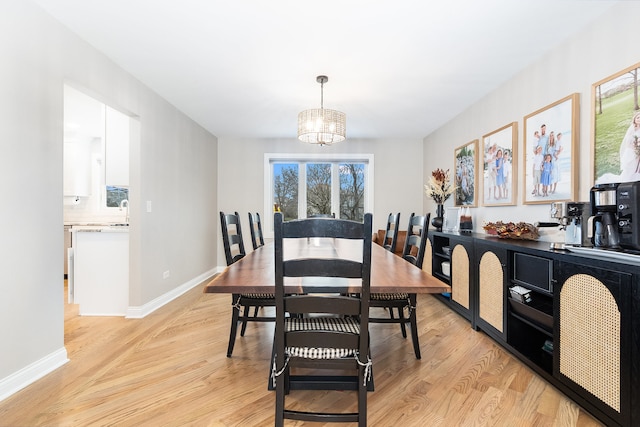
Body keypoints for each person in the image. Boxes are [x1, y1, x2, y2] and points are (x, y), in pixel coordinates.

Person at [619, 111, 640, 182]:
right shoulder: (632, 129)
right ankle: (626, 180)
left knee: (636, 168)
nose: (639, 119)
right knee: (630, 167)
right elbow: (628, 142)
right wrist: (635, 148)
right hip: (631, 150)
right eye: (638, 117)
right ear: (635, 119)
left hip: (638, 151)